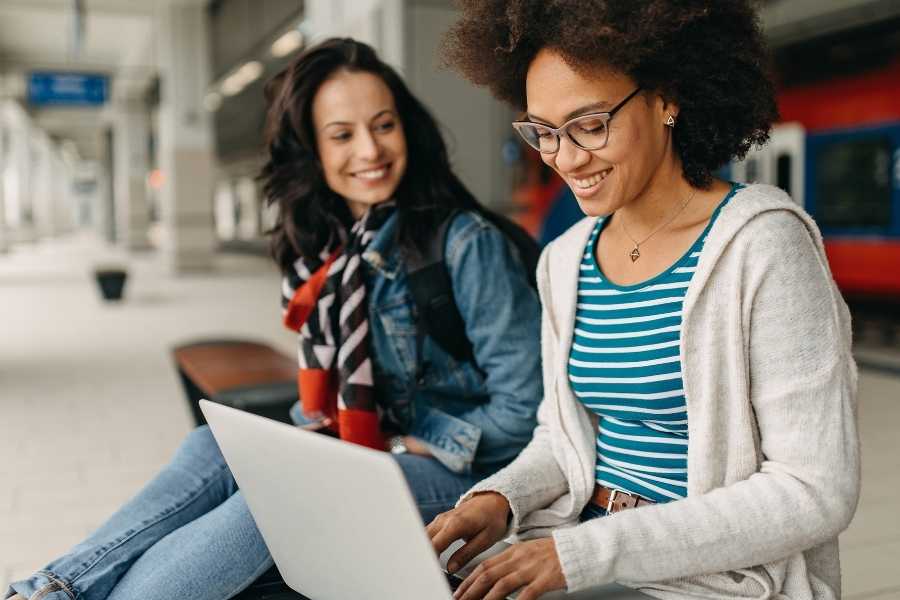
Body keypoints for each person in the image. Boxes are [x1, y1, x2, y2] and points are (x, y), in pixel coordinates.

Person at [7, 38, 542, 600]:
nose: (370, 149)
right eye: (342, 134)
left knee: (283, 494)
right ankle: (53, 589)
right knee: (209, 449)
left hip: (475, 474)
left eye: (383, 125)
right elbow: (330, 398)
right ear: (311, 149)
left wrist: (400, 444)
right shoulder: (331, 251)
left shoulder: (465, 244)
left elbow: (523, 411)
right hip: (379, 451)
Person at [427, 2, 860, 600]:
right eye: (543, 132)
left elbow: (813, 491)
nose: (566, 158)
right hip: (583, 544)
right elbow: (563, 439)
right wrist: (500, 500)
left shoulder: (763, 246)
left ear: (666, 99)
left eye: (590, 123)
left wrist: (581, 556)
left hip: (713, 581)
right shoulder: (565, 260)